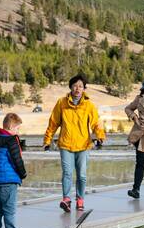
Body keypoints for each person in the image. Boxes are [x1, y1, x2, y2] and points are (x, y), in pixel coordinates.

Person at [44, 73, 105, 212]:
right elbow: (53, 123)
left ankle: (80, 199)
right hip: (66, 144)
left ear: (84, 89)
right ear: (71, 87)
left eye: (81, 86)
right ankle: (66, 199)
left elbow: (96, 122)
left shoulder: (88, 105)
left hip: (83, 145)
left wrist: (100, 136)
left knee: (82, 175)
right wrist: (47, 140)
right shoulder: (62, 103)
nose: (78, 89)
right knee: (67, 173)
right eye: (75, 86)